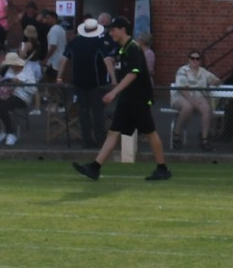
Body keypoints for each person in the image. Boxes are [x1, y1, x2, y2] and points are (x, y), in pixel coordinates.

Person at [72, 17, 170, 180]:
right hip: (127, 99)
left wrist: (114, 91)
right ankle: (95, 167)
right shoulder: (122, 48)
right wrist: (110, 66)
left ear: (123, 30)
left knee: (150, 132)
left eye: (113, 30)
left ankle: (162, 168)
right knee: (113, 132)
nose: (111, 33)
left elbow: (134, 73)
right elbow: (109, 58)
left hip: (138, 98)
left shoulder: (133, 48)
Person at [65, 18, 114, 146]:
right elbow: (107, 60)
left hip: (79, 82)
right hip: (96, 83)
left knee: (84, 111)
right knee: (98, 111)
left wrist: (59, 76)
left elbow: (64, 59)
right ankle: (100, 139)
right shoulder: (99, 43)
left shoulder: (74, 42)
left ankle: (87, 139)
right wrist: (113, 79)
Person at [171, 50, 220, 150]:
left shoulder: (204, 72)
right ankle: (176, 134)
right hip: (181, 97)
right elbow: (182, 89)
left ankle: (204, 139)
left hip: (198, 97)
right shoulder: (182, 70)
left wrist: (215, 82)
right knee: (188, 106)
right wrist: (193, 101)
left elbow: (216, 80)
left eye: (197, 58)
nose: (195, 60)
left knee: (206, 108)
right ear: (189, 59)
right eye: (192, 58)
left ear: (200, 61)